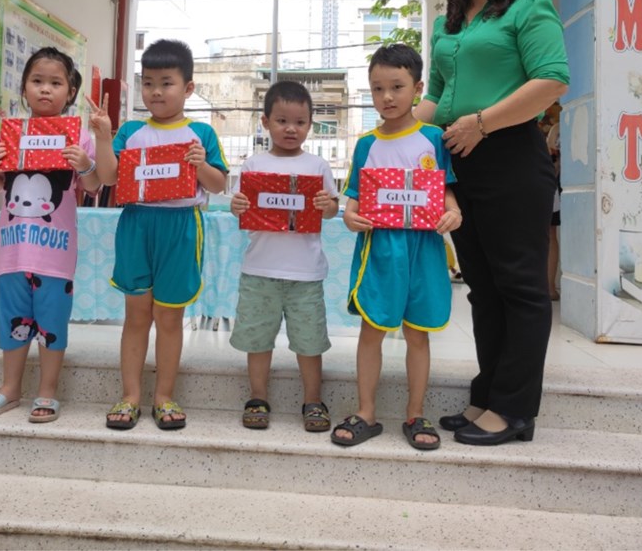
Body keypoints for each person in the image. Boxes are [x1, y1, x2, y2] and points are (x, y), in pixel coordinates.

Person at [413, 0, 569, 446]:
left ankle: (515, 409)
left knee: (520, 286)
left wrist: (481, 123)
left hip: (510, 155)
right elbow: (435, 98)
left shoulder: (530, 5)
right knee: (483, 288)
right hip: (459, 160)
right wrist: (387, 136)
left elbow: (552, 80)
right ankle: (487, 395)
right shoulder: (449, 23)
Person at [0, 47, 116, 423]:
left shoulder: (79, 138)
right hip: (12, 251)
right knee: (12, 320)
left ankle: (48, 391)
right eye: (37, 81)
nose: (46, 89)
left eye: (56, 83)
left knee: (52, 322)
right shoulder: (11, 134)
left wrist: (85, 164)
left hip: (55, 255)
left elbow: (94, 185)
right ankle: (10, 388)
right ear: (24, 87)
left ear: (71, 92)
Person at [333, 44, 462, 451]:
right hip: (379, 250)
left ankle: (415, 412)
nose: (387, 97)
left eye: (397, 87)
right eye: (377, 88)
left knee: (417, 333)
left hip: (423, 249)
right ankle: (366, 411)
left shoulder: (434, 139)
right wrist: (349, 216)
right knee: (372, 329)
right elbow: (353, 200)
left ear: (418, 88)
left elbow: (446, 193)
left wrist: (453, 212)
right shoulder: (365, 144)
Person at [105, 39, 228, 431]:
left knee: (170, 317)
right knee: (136, 315)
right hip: (136, 224)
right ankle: (130, 396)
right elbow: (108, 177)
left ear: (188, 88)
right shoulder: (130, 131)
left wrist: (200, 165)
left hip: (181, 227)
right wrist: (104, 138)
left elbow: (219, 184)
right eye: (148, 83)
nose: (156, 92)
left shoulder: (201, 132)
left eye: (166, 83)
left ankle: (164, 396)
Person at [228, 80, 340, 432]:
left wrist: (326, 205)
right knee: (257, 339)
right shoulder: (253, 165)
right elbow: (239, 206)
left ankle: (313, 400)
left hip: (306, 275)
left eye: (300, 122)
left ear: (310, 125)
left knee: (310, 342)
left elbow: (332, 209)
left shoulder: (318, 166)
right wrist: (237, 205)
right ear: (265, 122)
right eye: (281, 121)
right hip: (259, 270)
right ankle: (257, 397)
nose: (291, 129)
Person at [542, 106, 563, 301]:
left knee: (549, 232)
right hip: (545, 181)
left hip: (551, 183)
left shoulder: (558, 126)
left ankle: (549, 286)